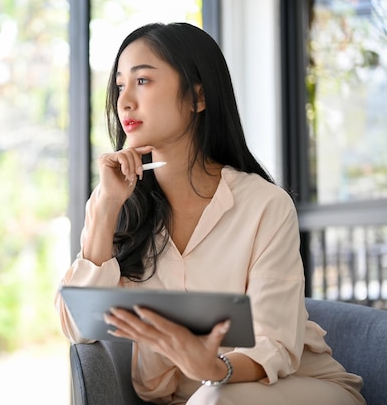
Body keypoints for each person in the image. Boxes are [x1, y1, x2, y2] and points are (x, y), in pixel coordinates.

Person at [54, 22, 365, 405]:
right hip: (199, 400)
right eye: (120, 85)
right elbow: (77, 328)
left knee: (214, 399)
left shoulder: (265, 206)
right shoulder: (115, 201)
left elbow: (276, 345)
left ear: (197, 97)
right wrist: (105, 208)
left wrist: (215, 368)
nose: (124, 101)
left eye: (143, 81)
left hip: (295, 390)